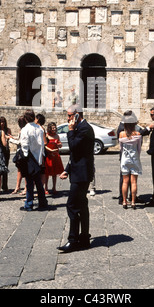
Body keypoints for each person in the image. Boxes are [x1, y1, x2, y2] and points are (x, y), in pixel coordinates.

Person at [58, 105, 95, 253]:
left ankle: (73, 240)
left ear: (77, 115)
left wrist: (71, 130)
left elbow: (73, 147)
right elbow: (76, 155)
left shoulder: (84, 129)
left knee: (72, 205)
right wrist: (67, 170)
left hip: (81, 175)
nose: (67, 119)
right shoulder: (81, 128)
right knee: (81, 205)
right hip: (78, 172)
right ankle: (84, 238)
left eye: (69, 116)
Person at [20, 110, 48, 211]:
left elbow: (24, 145)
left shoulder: (25, 129)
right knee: (39, 183)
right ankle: (42, 202)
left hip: (29, 159)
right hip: (38, 158)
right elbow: (42, 144)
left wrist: (25, 156)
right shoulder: (39, 129)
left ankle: (29, 204)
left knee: (29, 182)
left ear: (25, 118)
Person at [119, 112, 142, 210]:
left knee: (125, 181)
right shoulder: (138, 134)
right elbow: (139, 148)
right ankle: (133, 202)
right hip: (135, 159)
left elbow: (120, 148)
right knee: (134, 182)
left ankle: (124, 201)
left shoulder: (121, 134)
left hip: (125, 159)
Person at [8, 116, 27, 195]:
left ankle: (25, 188)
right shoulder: (22, 130)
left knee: (25, 171)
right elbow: (19, 138)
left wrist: (11, 140)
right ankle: (17, 186)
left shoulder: (24, 130)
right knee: (19, 170)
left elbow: (20, 142)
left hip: (23, 153)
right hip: (20, 152)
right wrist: (13, 137)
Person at [44, 122, 64, 195]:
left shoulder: (57, 136)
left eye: (55, 128)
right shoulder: (46, 135)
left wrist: (59, 145)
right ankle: (46, 188)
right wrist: (51, 150)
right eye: (52, 128)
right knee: (47, 173)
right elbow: (44, 145)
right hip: (49, 156)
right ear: (49, 128)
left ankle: (54, 187)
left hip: (55, 156)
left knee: (55, 173)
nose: (54, 129)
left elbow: (60, 144)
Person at [0, 117, 12, 193]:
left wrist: (9, 137)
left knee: (5, 168)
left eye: (3, 121)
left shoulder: (7, 130)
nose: (2, 123)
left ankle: (5, 186)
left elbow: (10, 137)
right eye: (1, 122)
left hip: (6, 150)